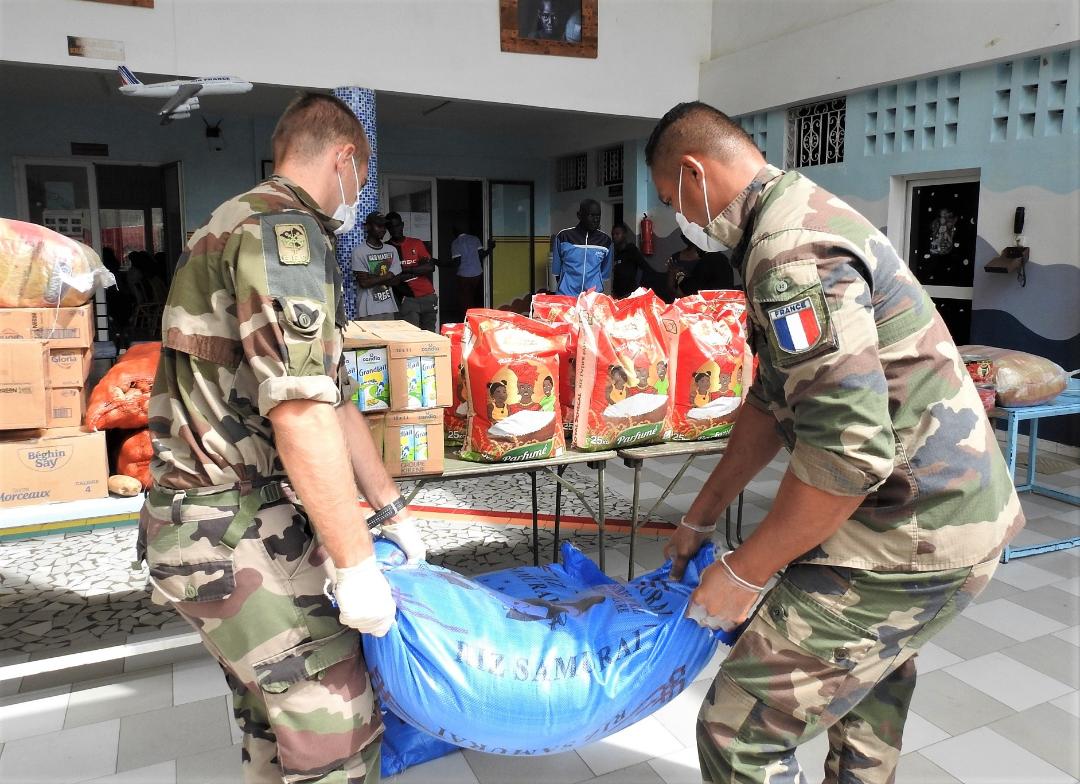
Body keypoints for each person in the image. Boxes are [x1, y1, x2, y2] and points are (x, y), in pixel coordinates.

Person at [645, 101, 1023, 784]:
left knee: (738, 732)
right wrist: (701, 515)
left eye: (676, 200)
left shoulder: (789, 252)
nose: (685, 220)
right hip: (932, 510)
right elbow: (770, 401)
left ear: (696, 172)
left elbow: (847, 455)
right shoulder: (789, 217)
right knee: (864, 695)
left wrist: (742, 574)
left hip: (913, 529)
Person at [138, 92, 427, 784]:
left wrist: (389, 509)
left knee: (275, 729)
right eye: (363, 177)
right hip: (230, 523)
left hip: (210, 522)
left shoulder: (238, 221)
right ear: (345, 159)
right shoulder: (284, 236)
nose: (361, 193)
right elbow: (299, 414)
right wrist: (356, 566)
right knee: (338, 726)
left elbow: (329, 395)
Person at [385, 211, 439, 331]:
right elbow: (392, 278)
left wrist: (404, 270)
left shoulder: (416, 243)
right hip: (407, 299)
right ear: (387, 229)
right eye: (391, 227)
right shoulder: (387, 248)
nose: (395, 229)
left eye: (397, 225)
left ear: (402, 225)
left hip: (428, 296)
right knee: (412, 335)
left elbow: (430, 267)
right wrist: (418, 269)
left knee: (430, 336)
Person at [551, 199, 613, 296]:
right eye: (591, 215)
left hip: (592, 297)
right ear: (579, 215)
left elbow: (604, 272)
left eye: (598, 216)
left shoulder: (606, 241)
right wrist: (566, 287)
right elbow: (557, 271)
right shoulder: (563, 237)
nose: (596, 219)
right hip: (566, 295)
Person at [353, 211, 403, 321]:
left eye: (384, 226)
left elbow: (397, 281)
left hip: (389, 307)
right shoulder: (359, 251)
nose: (383, 229)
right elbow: (364, 283)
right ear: (368, 227)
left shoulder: (391, 250)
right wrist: (389, 275)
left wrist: (372, 277)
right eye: (379, 226)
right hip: (367, 309)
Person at [450, 227, 494, 315]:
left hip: (463, 276)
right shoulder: (475, 239)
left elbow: (457, 262)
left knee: (465, 300)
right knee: (476, 297)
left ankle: (467, 318)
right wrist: (491, 247)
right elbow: (482, 254)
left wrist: (441, 264)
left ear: (454, 233)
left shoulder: (455, 243)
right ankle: (477, 316)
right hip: (477, 273)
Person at [610, 221, 647, 298]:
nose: (614, 236)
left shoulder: (631, 250)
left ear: (624, 235)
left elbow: (643, 267)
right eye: (613, 234)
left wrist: (636, 287)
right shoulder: (615, 253)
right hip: (618, 295)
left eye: (617, 234)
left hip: (630, 294)